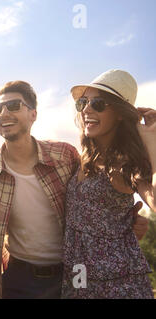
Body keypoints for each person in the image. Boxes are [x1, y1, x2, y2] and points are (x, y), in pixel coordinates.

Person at [0, 80, 150, 299]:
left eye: (13, 106)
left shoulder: (65, 155)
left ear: (33, 114)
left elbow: (99, 196)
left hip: (72, 272)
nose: (3, 113)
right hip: (20, 278)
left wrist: (124, 224)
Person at [62, 69, 155, 299]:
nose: (86, 109)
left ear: (120, 113)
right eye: (83, 102)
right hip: (78, 279)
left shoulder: (125, 164)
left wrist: (149, 137)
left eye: (98, 103)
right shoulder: (83, 159)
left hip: (118, 286)